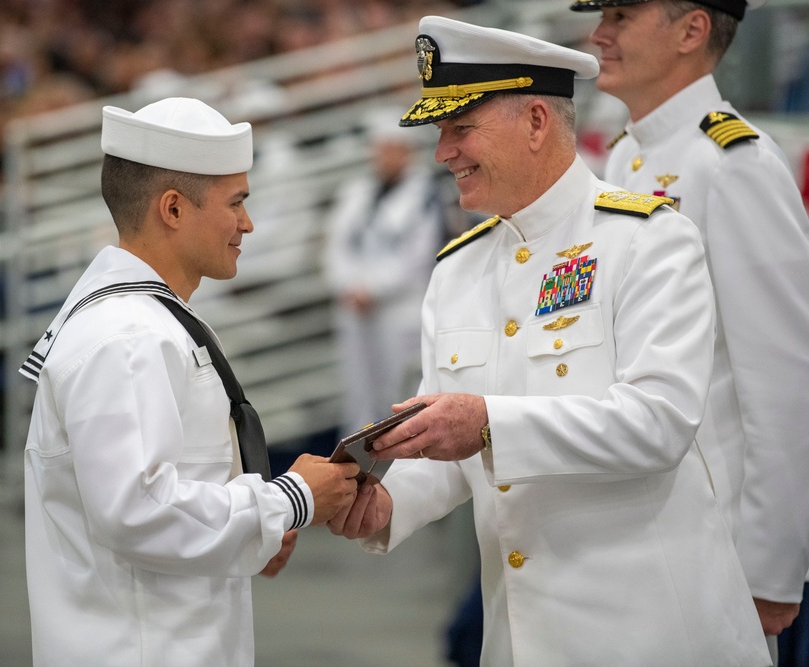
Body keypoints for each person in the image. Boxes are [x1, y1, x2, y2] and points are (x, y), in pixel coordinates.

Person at [327, 15, 772, 665]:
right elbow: (443, 439)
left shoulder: (649, 241)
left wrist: (485, 424)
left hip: (652, 633)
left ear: (537, 121)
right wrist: (389, 503)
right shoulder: (457, 270)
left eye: (460, 128)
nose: (442, 152)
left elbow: (659, 422)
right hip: (522, 639)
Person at [20, 97, 360, 666]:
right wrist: (288, 500)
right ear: (173, 209)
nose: (247, 223)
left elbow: (165, 500)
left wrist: (247, 542)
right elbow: (136, 510)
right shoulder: (129, 336)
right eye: (235, 203)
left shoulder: (146, 320)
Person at [569, 0, 809, 652]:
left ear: (692, 29)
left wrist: (772, 565)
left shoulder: (733, 163)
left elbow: (791, 379)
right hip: (632, 532)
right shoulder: (630, 156)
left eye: (622, 16)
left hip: (712, 546)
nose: (597, 34)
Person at [323, 107, 444, 436]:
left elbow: (416, 258)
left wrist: (371, 290)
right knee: (358, 388)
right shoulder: (356, 191)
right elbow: (336, 244)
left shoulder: (424, 196)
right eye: (380, 149)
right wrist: (348, 285)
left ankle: (403, 457)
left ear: (407, 152)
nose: (384, 157)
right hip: (355, 306)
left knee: (400, 390)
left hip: (398, 307)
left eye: (392, 149)